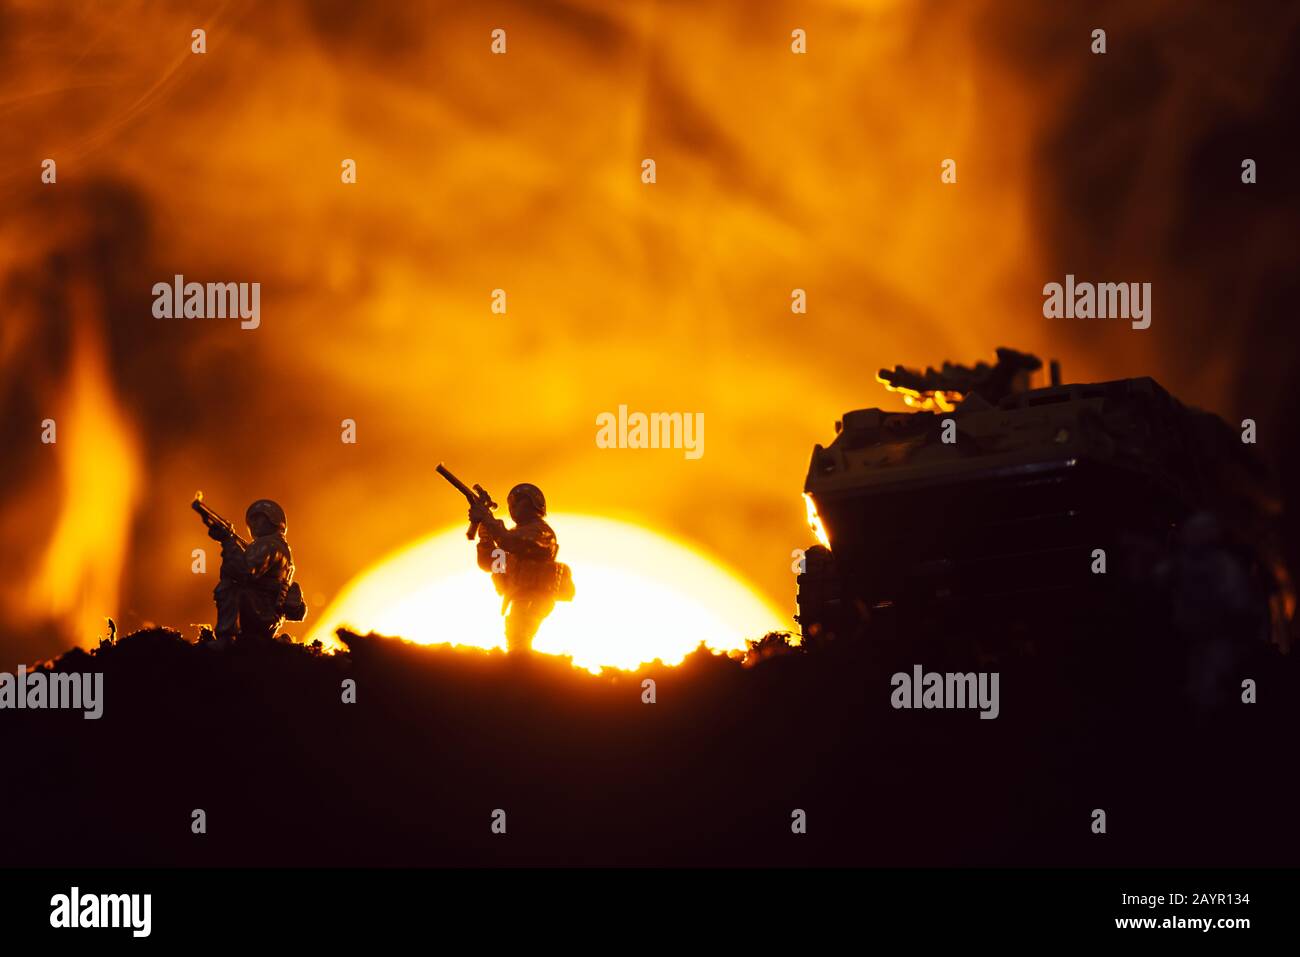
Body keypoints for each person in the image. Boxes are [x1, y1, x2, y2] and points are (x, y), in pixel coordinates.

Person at [470, 483, 572, 652]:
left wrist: (489, 520)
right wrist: (486, 540)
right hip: (518, 595)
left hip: (536, 597)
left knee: (519, 636)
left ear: (533, 503)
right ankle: (519, 669)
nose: (514, 507)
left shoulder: (541, 532)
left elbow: (511, 541)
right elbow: (493, 565)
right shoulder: (514, 534)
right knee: (515, 637)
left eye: (519, 501)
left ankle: (524, 671)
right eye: (511, 503)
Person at [204, 499, 307, 642]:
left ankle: (226, 639)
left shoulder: (270, 546)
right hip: (266, 613)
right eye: (252, 520)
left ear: (274, 520)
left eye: (260, 519)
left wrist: (227, 541)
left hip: (262, 612)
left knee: (229, 587)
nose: (254, 524)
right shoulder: (276, 546)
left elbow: (245, 572)